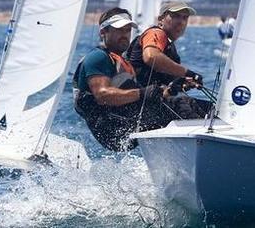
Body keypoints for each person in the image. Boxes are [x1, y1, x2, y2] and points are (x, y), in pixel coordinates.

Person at [73, 8, 204, 151]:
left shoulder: (120, 61)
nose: (125, 35)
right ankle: (205, 145)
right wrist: (143, 93)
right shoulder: (97, 57)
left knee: (183, 104)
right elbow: (103, 95)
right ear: (103, 32)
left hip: (124, 121)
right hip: (111, 128)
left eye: (128, 30)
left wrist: (171, 88)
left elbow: (142, 93)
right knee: (182, 105)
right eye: (119, 30)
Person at [126, 1, 204, 88]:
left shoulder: (169, 46)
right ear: (161, 19)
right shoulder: (156, 33)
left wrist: (183, 84)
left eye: (185, 18)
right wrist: (187, 73)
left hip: (153, 97)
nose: (181, 22)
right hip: (137, 97)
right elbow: (151, 57)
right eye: (176, 16)